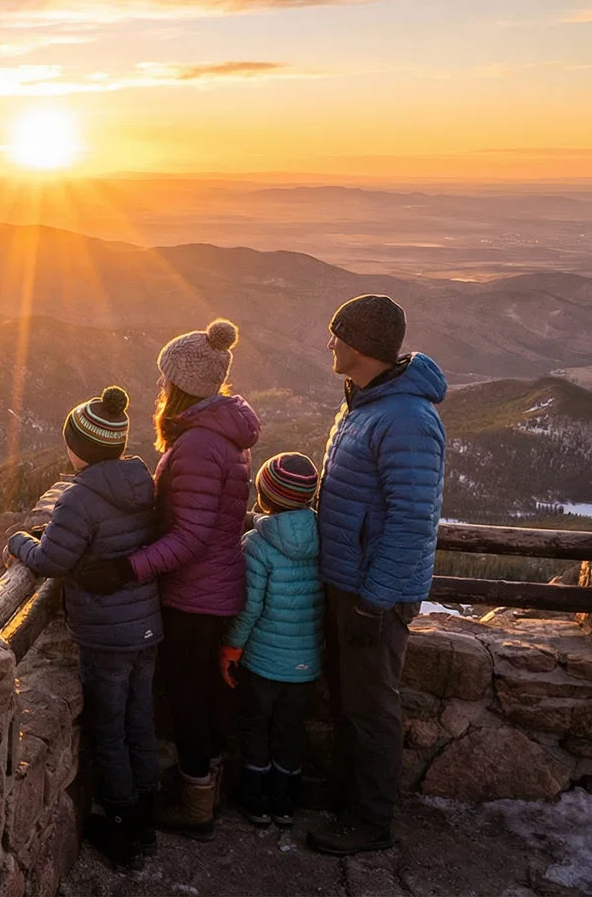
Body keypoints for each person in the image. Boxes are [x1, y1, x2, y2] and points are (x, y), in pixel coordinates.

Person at [77, 319, 260, 841]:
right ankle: (209, 787)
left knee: (187, 697)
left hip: (196, 592)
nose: (159, 387)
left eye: (165, 379)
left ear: (182, 385)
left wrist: (124, 568)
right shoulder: (222, 433)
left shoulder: (201, 443)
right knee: (203, 692)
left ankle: (196, 803)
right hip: (216, 584)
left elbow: (192, 536)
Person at [306, 294, 447, 856]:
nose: (330, 343)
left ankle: (370, 820)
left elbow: (413, 519)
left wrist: (374, 600)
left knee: (369, 706)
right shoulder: (365, 403)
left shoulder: (407, 419)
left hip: (373, 593)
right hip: (349, 580)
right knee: (347, 700)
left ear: (360, 346)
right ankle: (347, 799)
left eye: (337, 334)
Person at [6, 387, 160, 866]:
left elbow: (53, 559)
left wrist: (18, 542)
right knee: (141, 720)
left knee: (109, 727)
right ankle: (147, 813)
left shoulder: (78, 498)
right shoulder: (142, 482)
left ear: (79, 449)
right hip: (146, 626)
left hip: (106, 633)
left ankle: (122, 825)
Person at [222, 452, 323, 829]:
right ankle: (284, 803)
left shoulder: (257, 546)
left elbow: (248, 609)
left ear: (265, 496)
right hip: (306, 662)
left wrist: (231, 649)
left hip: (263, 661)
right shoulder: (324, 540)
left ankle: (255, 800)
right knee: (290, 729)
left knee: (255, 725)